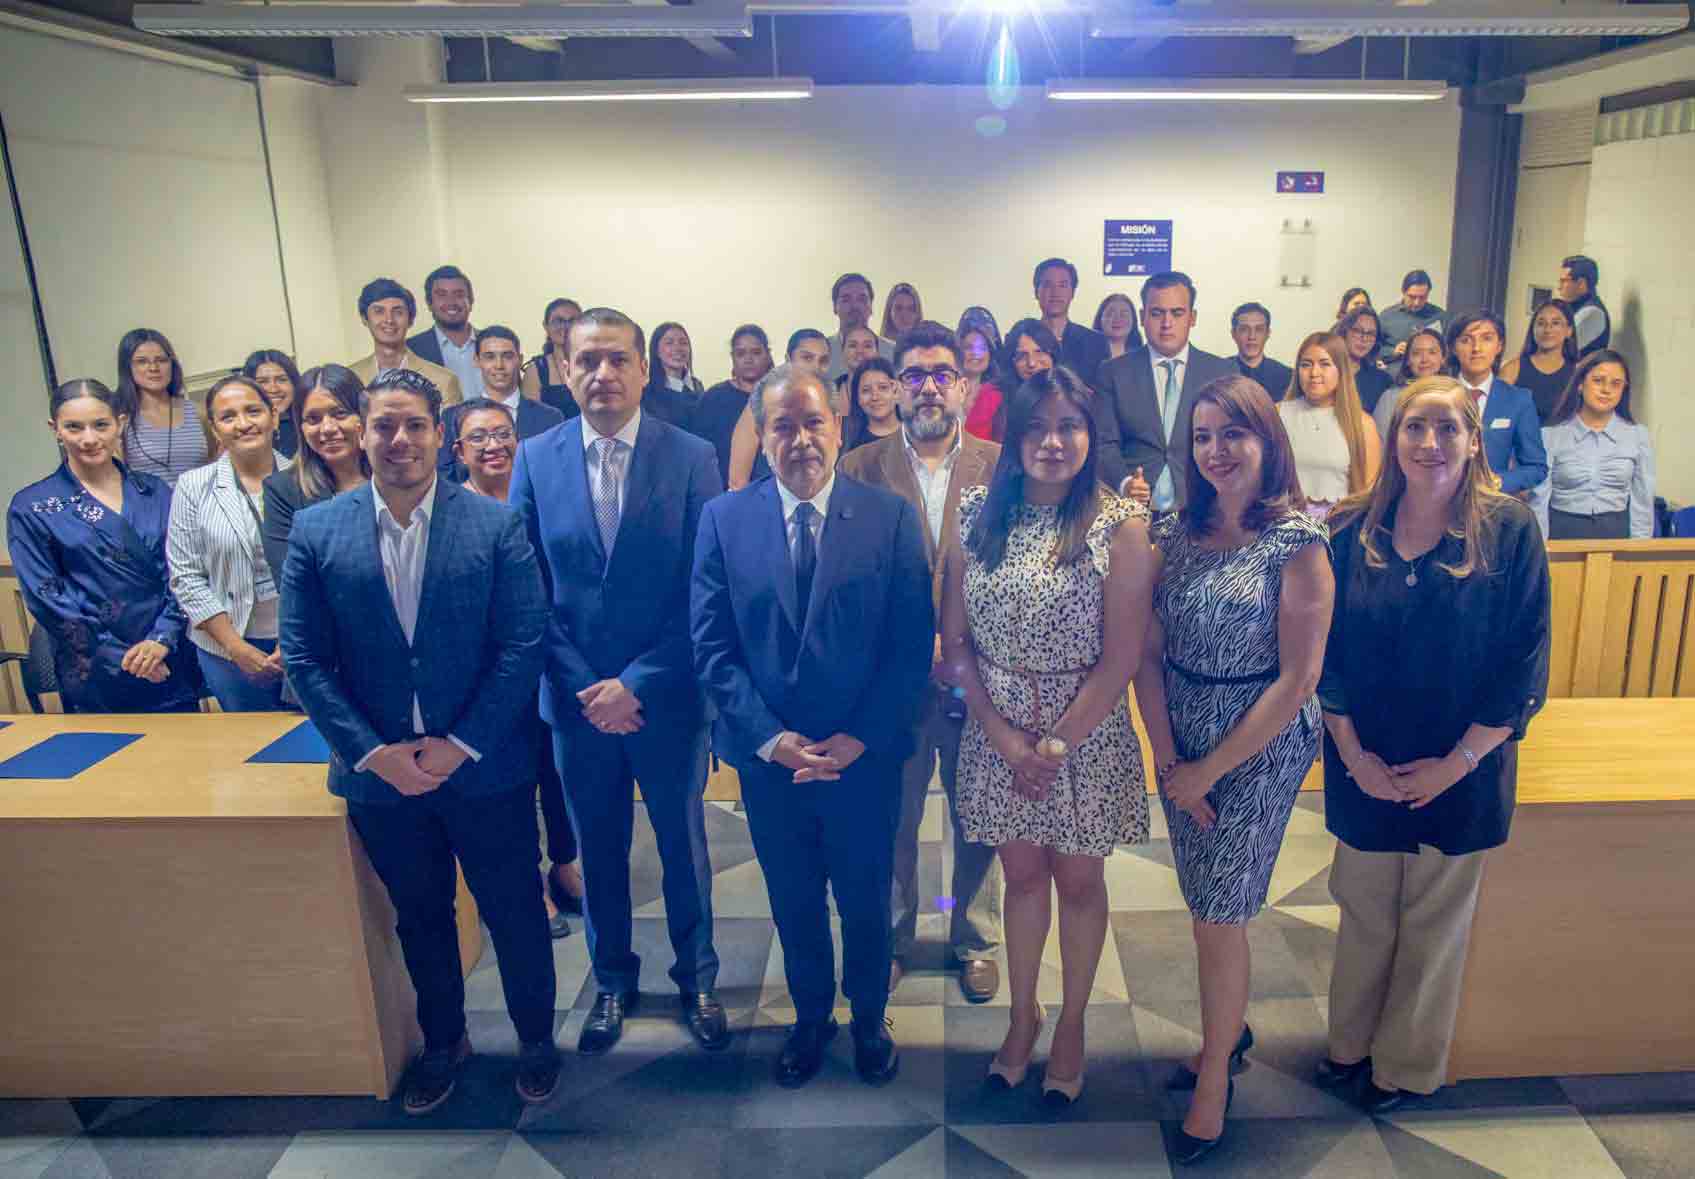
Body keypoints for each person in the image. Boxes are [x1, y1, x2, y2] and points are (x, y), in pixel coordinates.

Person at [280, 367, 560, 1115]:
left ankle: (536, 1039)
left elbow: (523, 643)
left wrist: (459, 744)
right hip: (381, 777)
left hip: (484, 768)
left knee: (514, 911)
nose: (398, 439)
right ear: (361, 433)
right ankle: (443, 1042)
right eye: (383, 425)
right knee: (421, 916)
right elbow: (303, 657)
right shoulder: (317, 529)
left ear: (440, 435)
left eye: (414, 425)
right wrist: (374, 754)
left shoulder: (494, 524)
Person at [690, 363, 932, 1088]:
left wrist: (860, 736)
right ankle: (810, 1018)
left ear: (838, 426)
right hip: (772, 760)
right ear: (760, 435)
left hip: (863, 758)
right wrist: (770, 738)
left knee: (865, 899)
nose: (800, 440)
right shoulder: (724, 520)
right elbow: (712, 645)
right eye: (783, 426)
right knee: (793, 899)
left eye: (813, 422)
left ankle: (868, 1019)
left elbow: (908, 642)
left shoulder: (888, 516)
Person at [1318, 375, 1550, 1115]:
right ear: (1394, 440)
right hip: (1364, 763)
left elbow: (1523, 662)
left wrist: (1455, 765)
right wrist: (1354, 757)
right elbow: (1323, 656)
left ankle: (1402, 1066)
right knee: (1364, 913)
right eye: (1415, 427)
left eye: (1448, 428)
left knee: (1432, 927)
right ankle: (1348, 1046)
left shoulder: (1510, 530)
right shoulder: (1351, 529)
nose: (1430, 443)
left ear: (1474, 440)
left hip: (1464, 771)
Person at [509, 307, 728, 1057]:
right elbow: (526, 585)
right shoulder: (535, 457)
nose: (602, 374)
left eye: (617, 360)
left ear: (642, 369)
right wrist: (586, 687)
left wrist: (636, 681)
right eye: (586, 361)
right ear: (564, 369)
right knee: (598, 848)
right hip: (577, 704)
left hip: (667, 696)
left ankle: (697, 976)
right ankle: (610, 980)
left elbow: (705, 586)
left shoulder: (691, 455)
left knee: (683, 846)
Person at [1132, 375, 1332, 1163]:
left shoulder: (1296, 543)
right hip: (1182, 733)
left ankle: (1214, 1072)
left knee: (1221, 910)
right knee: (1203, 901)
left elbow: (1299, 679)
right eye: (1202, 436)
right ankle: (1229, 1029)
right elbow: (1147, 653)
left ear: (1265, 440)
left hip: (1259, 740)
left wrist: (1208, 769)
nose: (1215, 450)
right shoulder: (1173, 534)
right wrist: (1167, 756)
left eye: (1232, 434)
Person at [947, 366, 1153, 1105]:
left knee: (1080, 882)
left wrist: (1053, 746)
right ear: (1013, 437)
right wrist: (1006, 740)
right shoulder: (977, 513)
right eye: (1035, 427)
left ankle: (1071, 1022)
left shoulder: (1118, 526)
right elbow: (955, 644)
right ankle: (1022, 1015)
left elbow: (1122, 657)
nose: (1051, 442)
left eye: (1068, 426)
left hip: (1084, 738)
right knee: (1022, 878)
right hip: (996, 731)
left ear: (1090, 435)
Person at [838, 322, 1005, 1004]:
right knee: (891, 822)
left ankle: (976, 938)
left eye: (942, 374)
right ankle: (892, 940)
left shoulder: (1002, 466)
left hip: (981, 680)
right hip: (892, 686)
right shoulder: (857, 467)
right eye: (914, 375)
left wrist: (961, 647)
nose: (928, 387)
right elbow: (848, 577)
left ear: (964, 387)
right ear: (895, 388)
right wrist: (915, 647)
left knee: (979, 818)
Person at [453, 395, 584, 935]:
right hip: (490, 669)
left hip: (550, 654)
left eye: (502, 433)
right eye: (478, 437)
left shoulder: (539, 494)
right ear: (458, 450)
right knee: (513, 775)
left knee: (557, 766)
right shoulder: (452, 509)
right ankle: (531, 883)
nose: (493, 445)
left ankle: (566, 863)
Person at [9, 379, 197, 713]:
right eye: (74, 427)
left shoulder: (155, 492)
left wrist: (162, 639)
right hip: (97, 669)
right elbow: (46, 596)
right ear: (55, 430)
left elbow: (186, 570)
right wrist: (123, 657)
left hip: (169, 655)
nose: (89, 438)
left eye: (100, 425)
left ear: (120, 424)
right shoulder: (32, 507)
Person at [166, 375, 291, 712]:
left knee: (311, 738)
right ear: (215, 429)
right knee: (249, 741)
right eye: (228, 416)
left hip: (303, 642)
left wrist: (297, 638)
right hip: (226, 651)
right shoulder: (193, 487)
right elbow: (185, 576)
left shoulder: (304, 477)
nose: (243, 423)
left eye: (253, 411)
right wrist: (235, 647)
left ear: (273, 416)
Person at [1096, 271, 1236, 509]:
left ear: (1192, 317)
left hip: (1204, 506)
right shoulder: (1113, 372)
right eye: (1157, 313)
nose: (1167, 323)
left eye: (1177, 313)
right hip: (1133, 509)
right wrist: (1125, 483)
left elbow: (1234, 443)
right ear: (1142, 317)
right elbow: (1103, 443)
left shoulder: (1222, 373)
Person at [261, 365, 369, 591]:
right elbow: (292, 585)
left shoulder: (393, 475)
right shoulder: (282, 491)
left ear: (363, 416)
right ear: (300, 428)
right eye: (313, 419)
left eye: (340, 414)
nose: (327, 428)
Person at [1529, 349, 1655, 539]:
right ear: (1580, 384)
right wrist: (1540, 547)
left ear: (1624, 389)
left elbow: (1643, 501)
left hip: (1617, 534)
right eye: (1598, 380)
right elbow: (1538, 501)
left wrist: (1640, 547)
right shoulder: (1550, 436)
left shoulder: (1637, 436)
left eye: (1616, 383)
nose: (1606, 390)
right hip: (1563, 532)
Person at [1444, 310, 1547, 498]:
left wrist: (1498, 481)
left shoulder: (1518, 400)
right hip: (1438, 500)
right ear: (1453, 348)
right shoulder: (1436, 395)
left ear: (1499, 346)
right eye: (1466, 340)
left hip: (1490, 503)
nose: (1476, 348)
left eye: (1486, 339)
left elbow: (1536, 467)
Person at [440, 327, 564, 482]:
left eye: (507, 356)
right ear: (476, 360)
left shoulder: (550, 418)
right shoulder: (452, 416)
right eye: (490, 357)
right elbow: (444, 477)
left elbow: (558, 474)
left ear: (520, 359)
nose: (499, 365)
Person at [1280, 333, 1381, 520]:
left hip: (1338, 528)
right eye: (1306, 364)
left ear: (1341, 370)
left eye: (1325, 364)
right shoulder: (1278, 414)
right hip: (1282, 527)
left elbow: (1369, 494)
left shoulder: (1363, 424)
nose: (1314, 373)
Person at [727, 330, 831, 490]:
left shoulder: (831, 402)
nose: (816, 367)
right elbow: (737, 481)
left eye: (823, 361)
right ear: (788, 359)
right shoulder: (763, 401)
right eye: (807, 358)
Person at [349, 277, 463, 406]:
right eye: (379, 311)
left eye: (398, 312)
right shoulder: (351, 378)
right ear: (364, 319)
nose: (389, 320)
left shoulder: (443, 381)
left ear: (411, 320)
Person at [117, 328, 209, 488]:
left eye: (161, 360)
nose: (153, 368)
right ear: (128, 368)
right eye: (142, 361)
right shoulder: (121, 420)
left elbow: (215, 461)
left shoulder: (198, 412)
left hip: (201, 501)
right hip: (148, 503)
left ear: (172, 365)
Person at [694, 324, 772, 487]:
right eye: (741, 353)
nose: (749, 359)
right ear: (733, 357)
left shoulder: (779, 396)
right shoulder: (714, 399)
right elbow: (700, 453)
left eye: (756, 352)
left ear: (767, 354)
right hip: (723, 489)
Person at [407, 265, 483, 399]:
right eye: (441, 295)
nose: (451, 302)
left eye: (459, 294)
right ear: (429, 303)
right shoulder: (411, 350)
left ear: (471, 301)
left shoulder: (494, 344)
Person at [1033, 257, 1109, 386]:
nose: (1055, 292)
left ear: (1073, 292)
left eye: (1062, 285)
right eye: (1047, 285)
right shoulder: (1022, 340)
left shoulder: (1096, 342)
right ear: (1036, 292)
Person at [1500, 300, 1577, 423]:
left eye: (1555, 323)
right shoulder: (1512, 369)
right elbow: (1497, 417)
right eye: (1541, 323)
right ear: (1533, 329)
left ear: (1569, 331)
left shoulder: (1577, 373)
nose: (1547, 329)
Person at [1372, 327, 1447, 442]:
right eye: (1417, 353)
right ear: (1407, 360)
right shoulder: (1391, 399)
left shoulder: (1456, 395)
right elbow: (1381, 444)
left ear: (1443, 358)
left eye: (1432, 352)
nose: (1424, 359)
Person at [826, 272, 894, 385]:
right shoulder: (822, 352)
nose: (854, 306)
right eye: (846, 300)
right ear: (834, 307)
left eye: (862, 299)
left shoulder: (893, 352)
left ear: (871, 306)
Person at [520, 297, 582, 416]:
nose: (565, 326)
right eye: (558, 321)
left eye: (572, 321)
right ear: (546, 326)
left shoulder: (594, 364)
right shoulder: (536, 370)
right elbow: (531, 419)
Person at [643, 321, 707, 430]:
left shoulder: (697, 385)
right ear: (656, 351)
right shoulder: (648, 395)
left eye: (683, 343)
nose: (678, 348)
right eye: (669, 343)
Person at [243, 349, 303, 459]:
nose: (273, 389)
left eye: (282, 380)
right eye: (262, 382)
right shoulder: (241, 430)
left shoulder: (308, 425)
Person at [1378, 269, 1446, 362]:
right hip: (1397, 368)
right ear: (1403, 292)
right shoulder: (1387, 316)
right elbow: (1373, 348)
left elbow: (1448, 349)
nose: (1417, 303)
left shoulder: (1439, 316)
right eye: (1412, 297)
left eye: (1422, 297)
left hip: (1429, 368)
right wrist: (1392, 351)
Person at [1229, 302, 1293, 401]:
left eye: (1259, 329)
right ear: (1233, 334)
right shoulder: (1219, 373)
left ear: (1268, 334)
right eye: (1244, 329)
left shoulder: (1287, 377)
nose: (1252, 337)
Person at [1337, 306, 1393, 417]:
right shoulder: (1326, 373)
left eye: (1370, 333)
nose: (1364, 338)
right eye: (1357, 331)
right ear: (1344, 332)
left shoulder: (1383, 380)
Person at [958, 313, 1006, 443]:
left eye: (982, 348)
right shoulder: (945, 390)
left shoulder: (998, 395)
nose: (975, 353)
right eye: (968, 347)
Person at [842, 357, 902, 452]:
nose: (875, 397)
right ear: (857, 398)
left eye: (883, 388)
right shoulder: (852, 446)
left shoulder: (915, 433)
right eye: (866, 390)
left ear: (896, 391)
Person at [1558, 254, 1610, 357]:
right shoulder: (1574, 307)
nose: (1559, 287)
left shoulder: (1592, 313)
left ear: (1581, 284)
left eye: (1564, 281)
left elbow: (1553, 351)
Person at [1093, 292, 1144, 361]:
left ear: (1133, 321)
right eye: (1110, 314)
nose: (1117, 319)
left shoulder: (1143, 359)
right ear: (1100, 318)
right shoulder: (1086, 355)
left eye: (1124, 314)